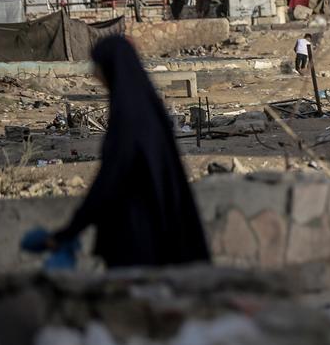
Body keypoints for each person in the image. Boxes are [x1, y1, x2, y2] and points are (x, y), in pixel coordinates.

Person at [48, 36, 210, 268]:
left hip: (138, 238)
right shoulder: (144, 108)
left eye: (97, 66)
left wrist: (70, 231)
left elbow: (109, 179)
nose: (94, 74)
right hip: (157, 229)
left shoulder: (129, 118)